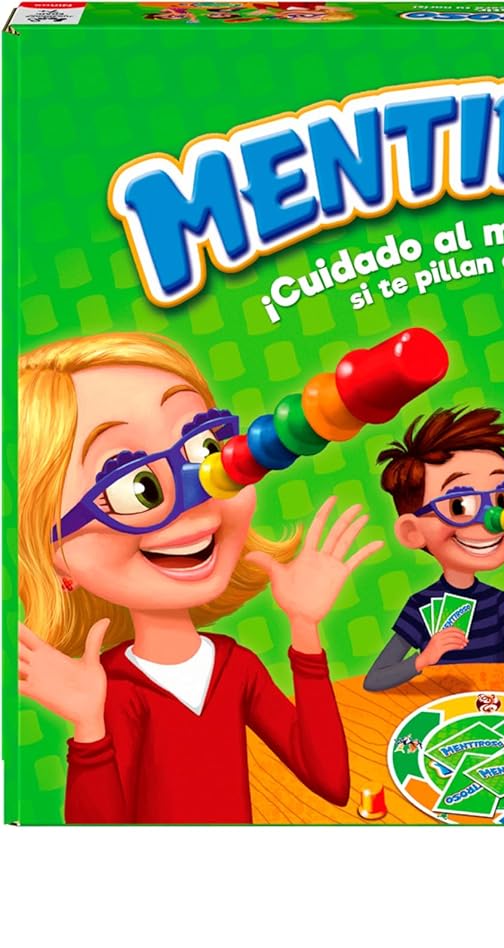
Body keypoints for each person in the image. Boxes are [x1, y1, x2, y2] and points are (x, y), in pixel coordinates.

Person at [16, 332, 378, 823]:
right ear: (54, 554)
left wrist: (305, 629)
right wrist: (88, 727)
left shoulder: (236, 666)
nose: (197, 499)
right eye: (134, 486)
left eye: (206, 450)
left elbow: (330, 780)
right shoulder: (112, 691)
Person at [364, 406, 504, 691]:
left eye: (503, 499)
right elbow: (375, 680)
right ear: (412, 531)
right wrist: (424, 658)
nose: (493, 519)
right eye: (460, 505)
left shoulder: (500, 602)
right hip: (441, 707)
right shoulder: (421, 606)